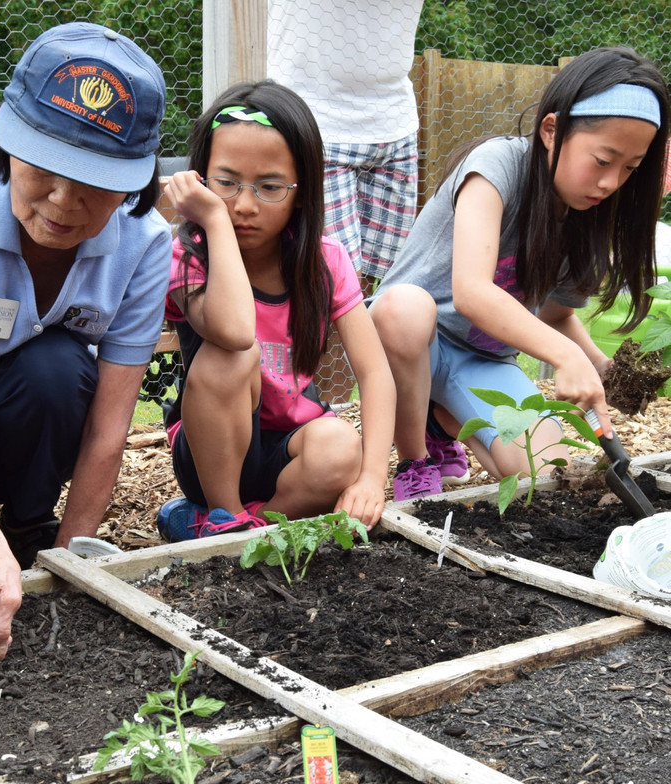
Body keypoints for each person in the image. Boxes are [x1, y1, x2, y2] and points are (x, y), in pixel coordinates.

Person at [0, 21, 171, 575]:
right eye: (45, 169)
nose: (63, 201)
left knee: (57, 366)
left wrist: (70, 562)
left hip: (24, 438)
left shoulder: (144, 245)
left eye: (95, 181)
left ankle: (30, 526)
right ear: (7, 143)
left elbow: (109, 424)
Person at [369, 46, 669, 501]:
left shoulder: (587, 221)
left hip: (484, 359)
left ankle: (441, 418)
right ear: (553, 130)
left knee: (545, 471)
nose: (611, 182)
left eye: (630, 168)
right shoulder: (497, 166)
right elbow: (470, 292)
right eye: (603, 160)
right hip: (412, 341)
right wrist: (565, 359)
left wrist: (598, 366)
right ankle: (415, 458)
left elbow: (556, 316)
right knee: (405, 309)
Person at [155, 80, 396, 542]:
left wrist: (370, 478)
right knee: (234, 351)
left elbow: (375, 373)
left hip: (287, 451)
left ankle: (250, 526)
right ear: (201, 179)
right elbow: (233, 329)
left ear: (301, 193)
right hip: (210, 455)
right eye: (226, 183)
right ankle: (221, 513)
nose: (244, 206)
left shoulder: (325, 263)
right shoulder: (189, 257)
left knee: (343, 448)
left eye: (269, 187)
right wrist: (212, 221)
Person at [267, 0, 424, 403]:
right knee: (325, 284)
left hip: (394, 123)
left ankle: (337, 414)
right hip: (315, 119)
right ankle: (304, 417)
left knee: (374, 291)